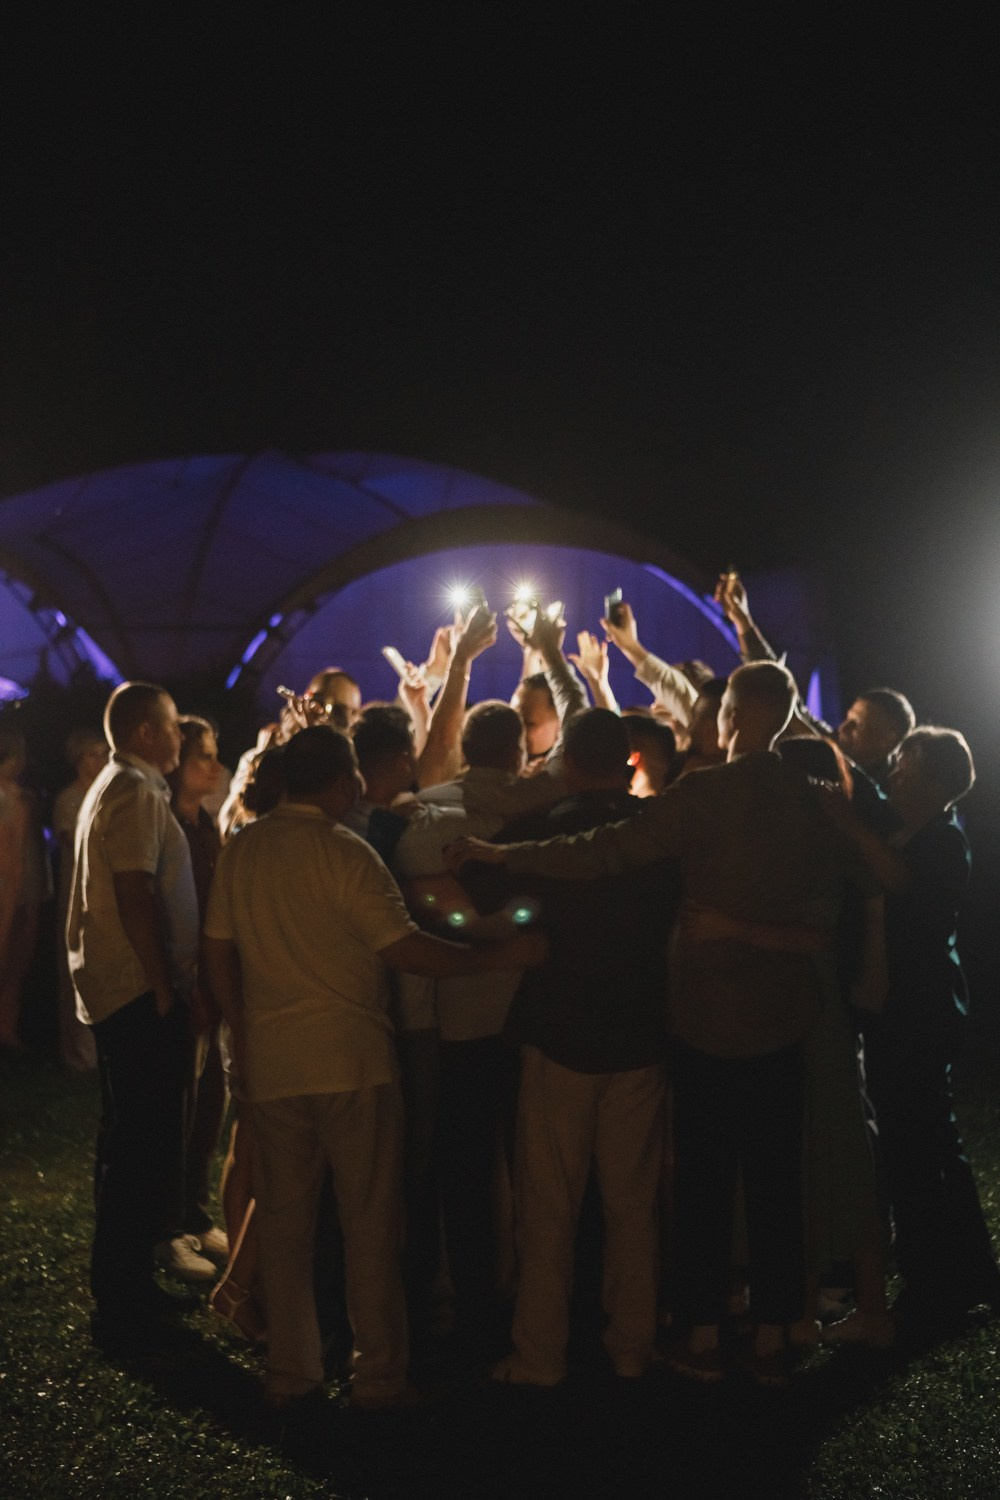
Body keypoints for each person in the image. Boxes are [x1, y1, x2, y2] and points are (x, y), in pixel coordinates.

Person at [451, 662, 864, 1384]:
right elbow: (825, 922)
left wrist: (501, 853)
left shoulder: (699, 796)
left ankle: (646, 1338)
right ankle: (724, 1335)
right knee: (736, 1186)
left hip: (678, 1023)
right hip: (754, 1022)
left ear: (729, 714)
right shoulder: (813, 800)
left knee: (646, 1193)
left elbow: (602, 852)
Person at [202, 725, 545, 1411]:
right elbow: (405, 950)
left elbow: (218, 955)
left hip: (274, 1066)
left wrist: (242, 1035)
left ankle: (292, 1372)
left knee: (289, 1226)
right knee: (370, 1225)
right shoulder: (348, 853)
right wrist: (496, 957)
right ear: (340, 783)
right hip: (352, 1062)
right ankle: (379, 1376)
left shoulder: (244, 850)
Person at [465, 709, 679, 1385]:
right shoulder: (657, 835)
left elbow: (480, 882)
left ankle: (541, 1352)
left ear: (570, 765)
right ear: (629, 763)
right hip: (641, 1033)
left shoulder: (544, 831)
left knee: (549, 1205)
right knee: (634, 1205)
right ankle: (632, 1343)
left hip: (558, 1034)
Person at [67, 682, 201, 1345]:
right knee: (142, 1140)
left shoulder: (118, 783)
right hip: (135, 989)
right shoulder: (140, 791)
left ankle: (123, 1277)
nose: (181, 736)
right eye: (174, 725)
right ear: (146, 732)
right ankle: (122, 1288)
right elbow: (135, 887)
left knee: (127, 1134)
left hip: (115, 986)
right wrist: (161, 983)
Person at [858, 726, 1000, 1336]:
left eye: (906, 762)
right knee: (928, 1144)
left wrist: (841, 819)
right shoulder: (909, 828)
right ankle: (967, 1274)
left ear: (937, 779)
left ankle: (932, 1285)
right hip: (906, 1008)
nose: (893, 770)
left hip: (921, 1008)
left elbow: (900, 883)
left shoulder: (943, 840)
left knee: (918, 1148)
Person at [167, 716, 229, 1269]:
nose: (214, 766)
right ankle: (166, 1225)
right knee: (176, 1104)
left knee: (211, 1101)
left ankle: (192, 1210)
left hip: (211, 977)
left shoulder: (206, 821)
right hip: (180, 982)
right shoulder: (166, 825)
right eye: (201, 757)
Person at [52, 729, 109, 1070]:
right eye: (93, 754)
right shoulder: (68, 799)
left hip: (101, 896)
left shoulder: (107, 794)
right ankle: (76, 1052)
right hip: (75, 894)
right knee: (72, 973)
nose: (100, 760)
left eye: (103, 753)